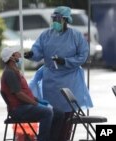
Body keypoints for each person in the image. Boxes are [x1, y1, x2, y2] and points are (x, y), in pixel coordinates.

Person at [24, 6, 93, 141]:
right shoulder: (46, 35)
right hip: (51, 81)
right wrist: (31, 54)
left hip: (70, 79)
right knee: (51, 114)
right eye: (53, 18)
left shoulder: (76, 36)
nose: (55, 21)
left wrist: (65, 61)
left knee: (67, 118)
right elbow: (37, 50)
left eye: (58, 19)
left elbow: (82, 56)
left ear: (66, 20)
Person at [0, 46, 64, 141]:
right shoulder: (9, 73)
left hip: (25, 106)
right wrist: (35, 103)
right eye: (16, 53)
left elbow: (25, 92)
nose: (19, 54)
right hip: (18, 109)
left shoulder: (15, 71)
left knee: (59, 113)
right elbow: (19, 94)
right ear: (11, 57)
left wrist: (39, 101)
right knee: (47, 112)